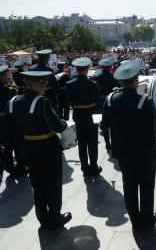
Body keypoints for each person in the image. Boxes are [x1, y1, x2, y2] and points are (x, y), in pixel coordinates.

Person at [0, 70, 71, 229]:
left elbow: (6, 130)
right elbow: (57, 126)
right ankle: (55, 216)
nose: (45, 88)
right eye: (44, 85)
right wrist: (64, 122)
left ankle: (42, 217)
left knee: (37, 184)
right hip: (48, 148)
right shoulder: (42, 102)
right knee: (52, 183)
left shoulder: (13, 101)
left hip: (28, 147)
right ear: (37, 85)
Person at [100, 61, 156, 229]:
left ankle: (135, 220)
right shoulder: (145, 101)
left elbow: (104, 126)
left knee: (129, 186)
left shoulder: (110, 100)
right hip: (145, 152)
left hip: (123, 152)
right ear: (136, 79)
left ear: (120, 81)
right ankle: (147, 219)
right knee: (147, 186)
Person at [66, 57, 102, 177]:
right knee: (92, 143)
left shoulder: (69, 84)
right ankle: (93, 166)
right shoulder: (93, 84)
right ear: (87, 69)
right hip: (91, 116)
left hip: (78, 116)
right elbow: (98, 102)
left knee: (82, 144)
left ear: (76, 70)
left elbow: (69, 101)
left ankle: (85, 168)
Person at [0, 65, 25, 182]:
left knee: (5, 146)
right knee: (17, 144)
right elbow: (16, 106)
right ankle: (21, 167)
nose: (6, 77)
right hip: (10, 121)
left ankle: (8, 167)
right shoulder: (9, 90)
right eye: (5, 75)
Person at [95, 57, 119, 150]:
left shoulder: (98, 77)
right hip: (111, 100)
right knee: (113, 123)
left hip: (101, 101)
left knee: (103, 122)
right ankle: (113, 142)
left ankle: (107, 143)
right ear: (110, 67)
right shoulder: (113, 77)